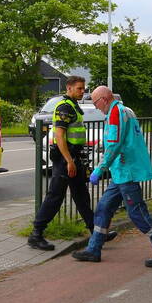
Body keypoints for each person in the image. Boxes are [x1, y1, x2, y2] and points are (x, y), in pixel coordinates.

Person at [72, 86, 152, 267]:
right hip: (121, 172)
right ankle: (94, 249)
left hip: (125, 171)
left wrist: (99, 169)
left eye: (96, 103)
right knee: (103, 209)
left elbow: (114, 145)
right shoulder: (126, 110)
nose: (96, 107)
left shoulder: (115, 113)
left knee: (137, 214)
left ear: (104, 99)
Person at [28, 76, 97, 250]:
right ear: (69, 88)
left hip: (74, 157)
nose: (83, 92)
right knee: (55, 196)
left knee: (81, 195)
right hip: (65, 158)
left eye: (83, 88)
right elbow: (59, 136)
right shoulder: (64, 107)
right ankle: (36, 234)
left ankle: (96, 232)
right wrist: (69, 161)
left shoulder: (73, 105)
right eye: (79, 89)